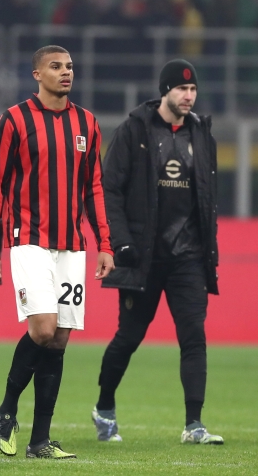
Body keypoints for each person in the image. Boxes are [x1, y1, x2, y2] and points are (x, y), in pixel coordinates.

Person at [0, 46, 114, 459]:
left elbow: (94, 186)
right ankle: (6, 411)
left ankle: (40, 440)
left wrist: (104, 244)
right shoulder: (15, 119)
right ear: (37, 74)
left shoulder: (86, 122)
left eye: (70, 66)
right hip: (29, 238)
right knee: (41, 329)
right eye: (56, 66)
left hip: (73, 245)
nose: (65, 72)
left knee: (58, 340)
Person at [93, 60, 223, 445]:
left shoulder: (202, 134)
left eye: (193, 90)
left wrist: (208, 251)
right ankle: (104, 408)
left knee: (194, 336)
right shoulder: (134, 130)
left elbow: (208, 198)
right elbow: (109, 189)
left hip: (188, 257)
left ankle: (194, 424)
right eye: (182, 89)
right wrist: (121, 243)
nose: (189, 96)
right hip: (143, 256)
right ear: (165, 90)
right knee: (129, 337)